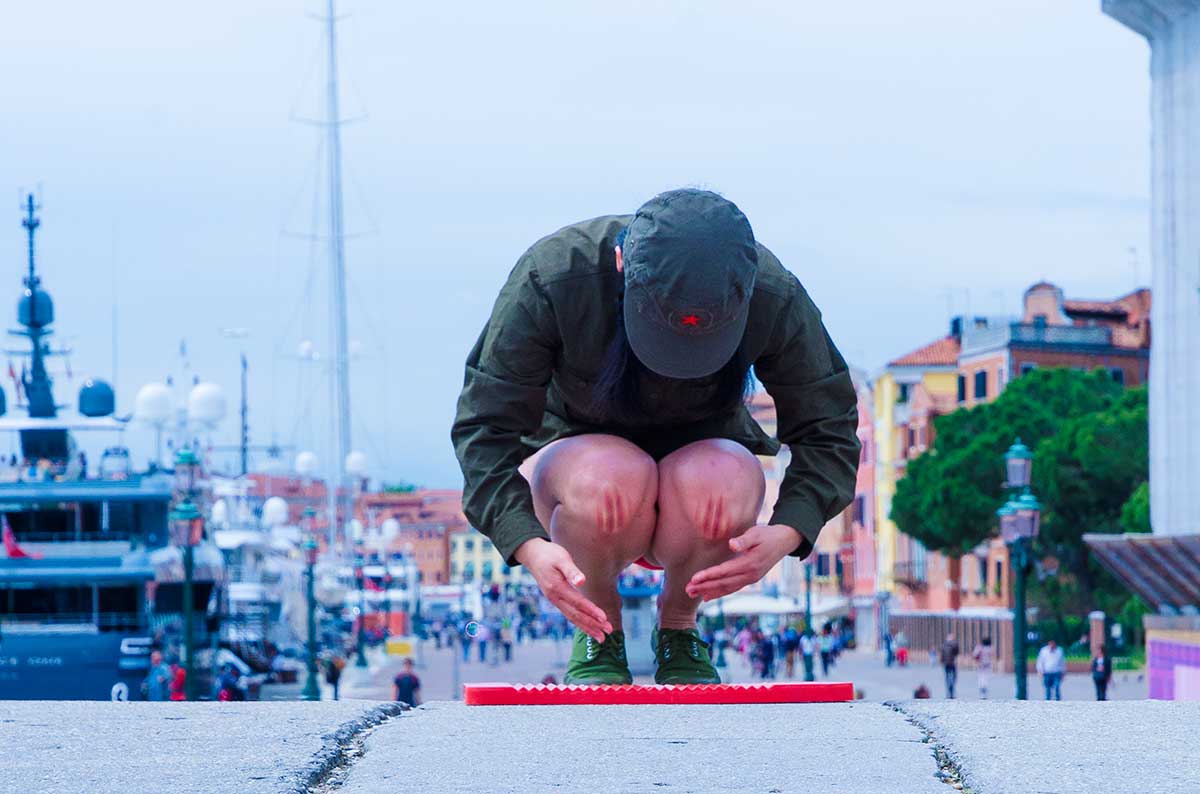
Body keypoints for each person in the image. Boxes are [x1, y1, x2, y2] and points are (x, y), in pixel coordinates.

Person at [451, 190, 860, 686]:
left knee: (724, 478)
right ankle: (599, 630)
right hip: (582, 475)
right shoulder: (553, 276)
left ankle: (679, 625)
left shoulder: (774, 293)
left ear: (747, 291)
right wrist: (528, 544)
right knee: (613, 474)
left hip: (699, 480)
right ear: (620, 262)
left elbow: (830, 425)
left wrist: (789, 530)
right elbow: (484, 428)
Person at [940, 633, 960, 699]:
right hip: (952, 662)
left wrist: (942, 661)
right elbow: (957, 652)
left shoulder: (943, 645)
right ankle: (951, 686)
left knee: (947, 676)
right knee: (954, 676)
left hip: (946, 663)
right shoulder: (955, 644)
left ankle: (949, 687)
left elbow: (942, 654)